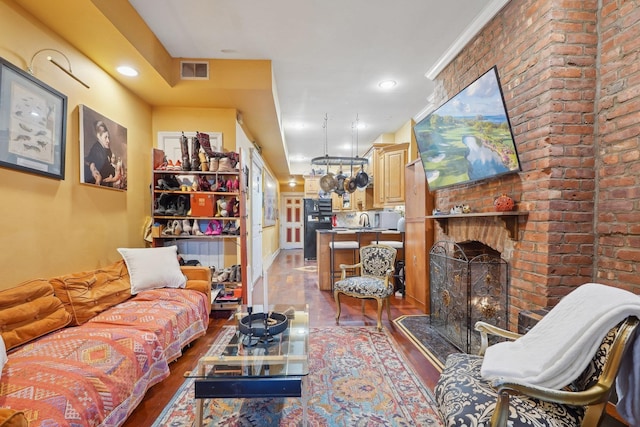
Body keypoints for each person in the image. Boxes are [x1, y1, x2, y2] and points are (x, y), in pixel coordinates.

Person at [84, 120, 121, 186]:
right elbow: (105, 168)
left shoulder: (107, 149)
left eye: (108, 137)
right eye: (105, 137)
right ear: (99, 136)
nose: (108, 140)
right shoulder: (96, 150)